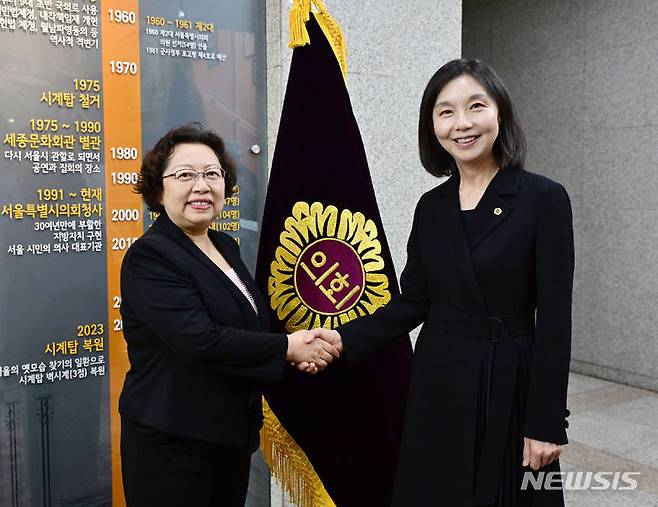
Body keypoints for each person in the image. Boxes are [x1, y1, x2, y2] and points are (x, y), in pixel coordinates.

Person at [316, 59, 574, 506]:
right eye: (446, 111)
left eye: (476, 106)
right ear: (432, 124)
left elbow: (555, 321)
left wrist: (546, 422)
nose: (462, 124)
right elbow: (414, 301)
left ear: (500, 113)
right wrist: (341, 339)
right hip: (439, 384)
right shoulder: (431, 206)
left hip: (508, 385)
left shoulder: (543, 199)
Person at [118, 123, 341, 507]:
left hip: (228, 436)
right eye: (185, 175)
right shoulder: (151, 256)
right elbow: (200, 339)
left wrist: (302, 347)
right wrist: (288, 348)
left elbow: (247, 325)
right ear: (158, 188)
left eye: (212, 174)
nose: (202, 186)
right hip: (174, 444)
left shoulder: (223, 245)